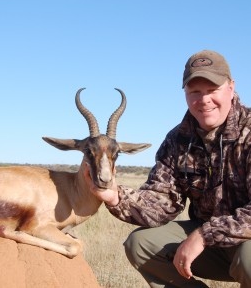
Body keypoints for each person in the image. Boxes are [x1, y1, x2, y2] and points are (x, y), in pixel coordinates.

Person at [83, 50, 251, 288]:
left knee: (248, 258)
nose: (204, 100)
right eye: (195, 92)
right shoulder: (178, 140)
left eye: (212, 90)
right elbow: (161, 202)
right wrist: (114, 196)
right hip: (213, 247)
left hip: (243, 244)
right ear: (185, 93)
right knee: (140, 244)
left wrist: (204, 235)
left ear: (231, 87)